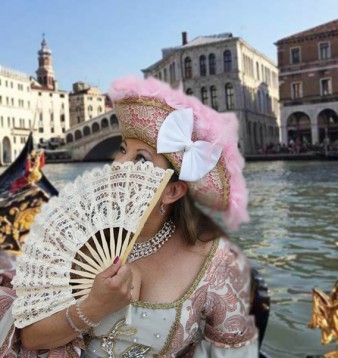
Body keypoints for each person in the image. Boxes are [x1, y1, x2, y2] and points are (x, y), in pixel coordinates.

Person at [3, 76, 258, 357]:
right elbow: (30, 339)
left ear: (172, 191)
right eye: (123, 150)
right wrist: (93, 307)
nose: (118, 164)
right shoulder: (75, 238)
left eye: (141, 159)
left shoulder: (216, 262)